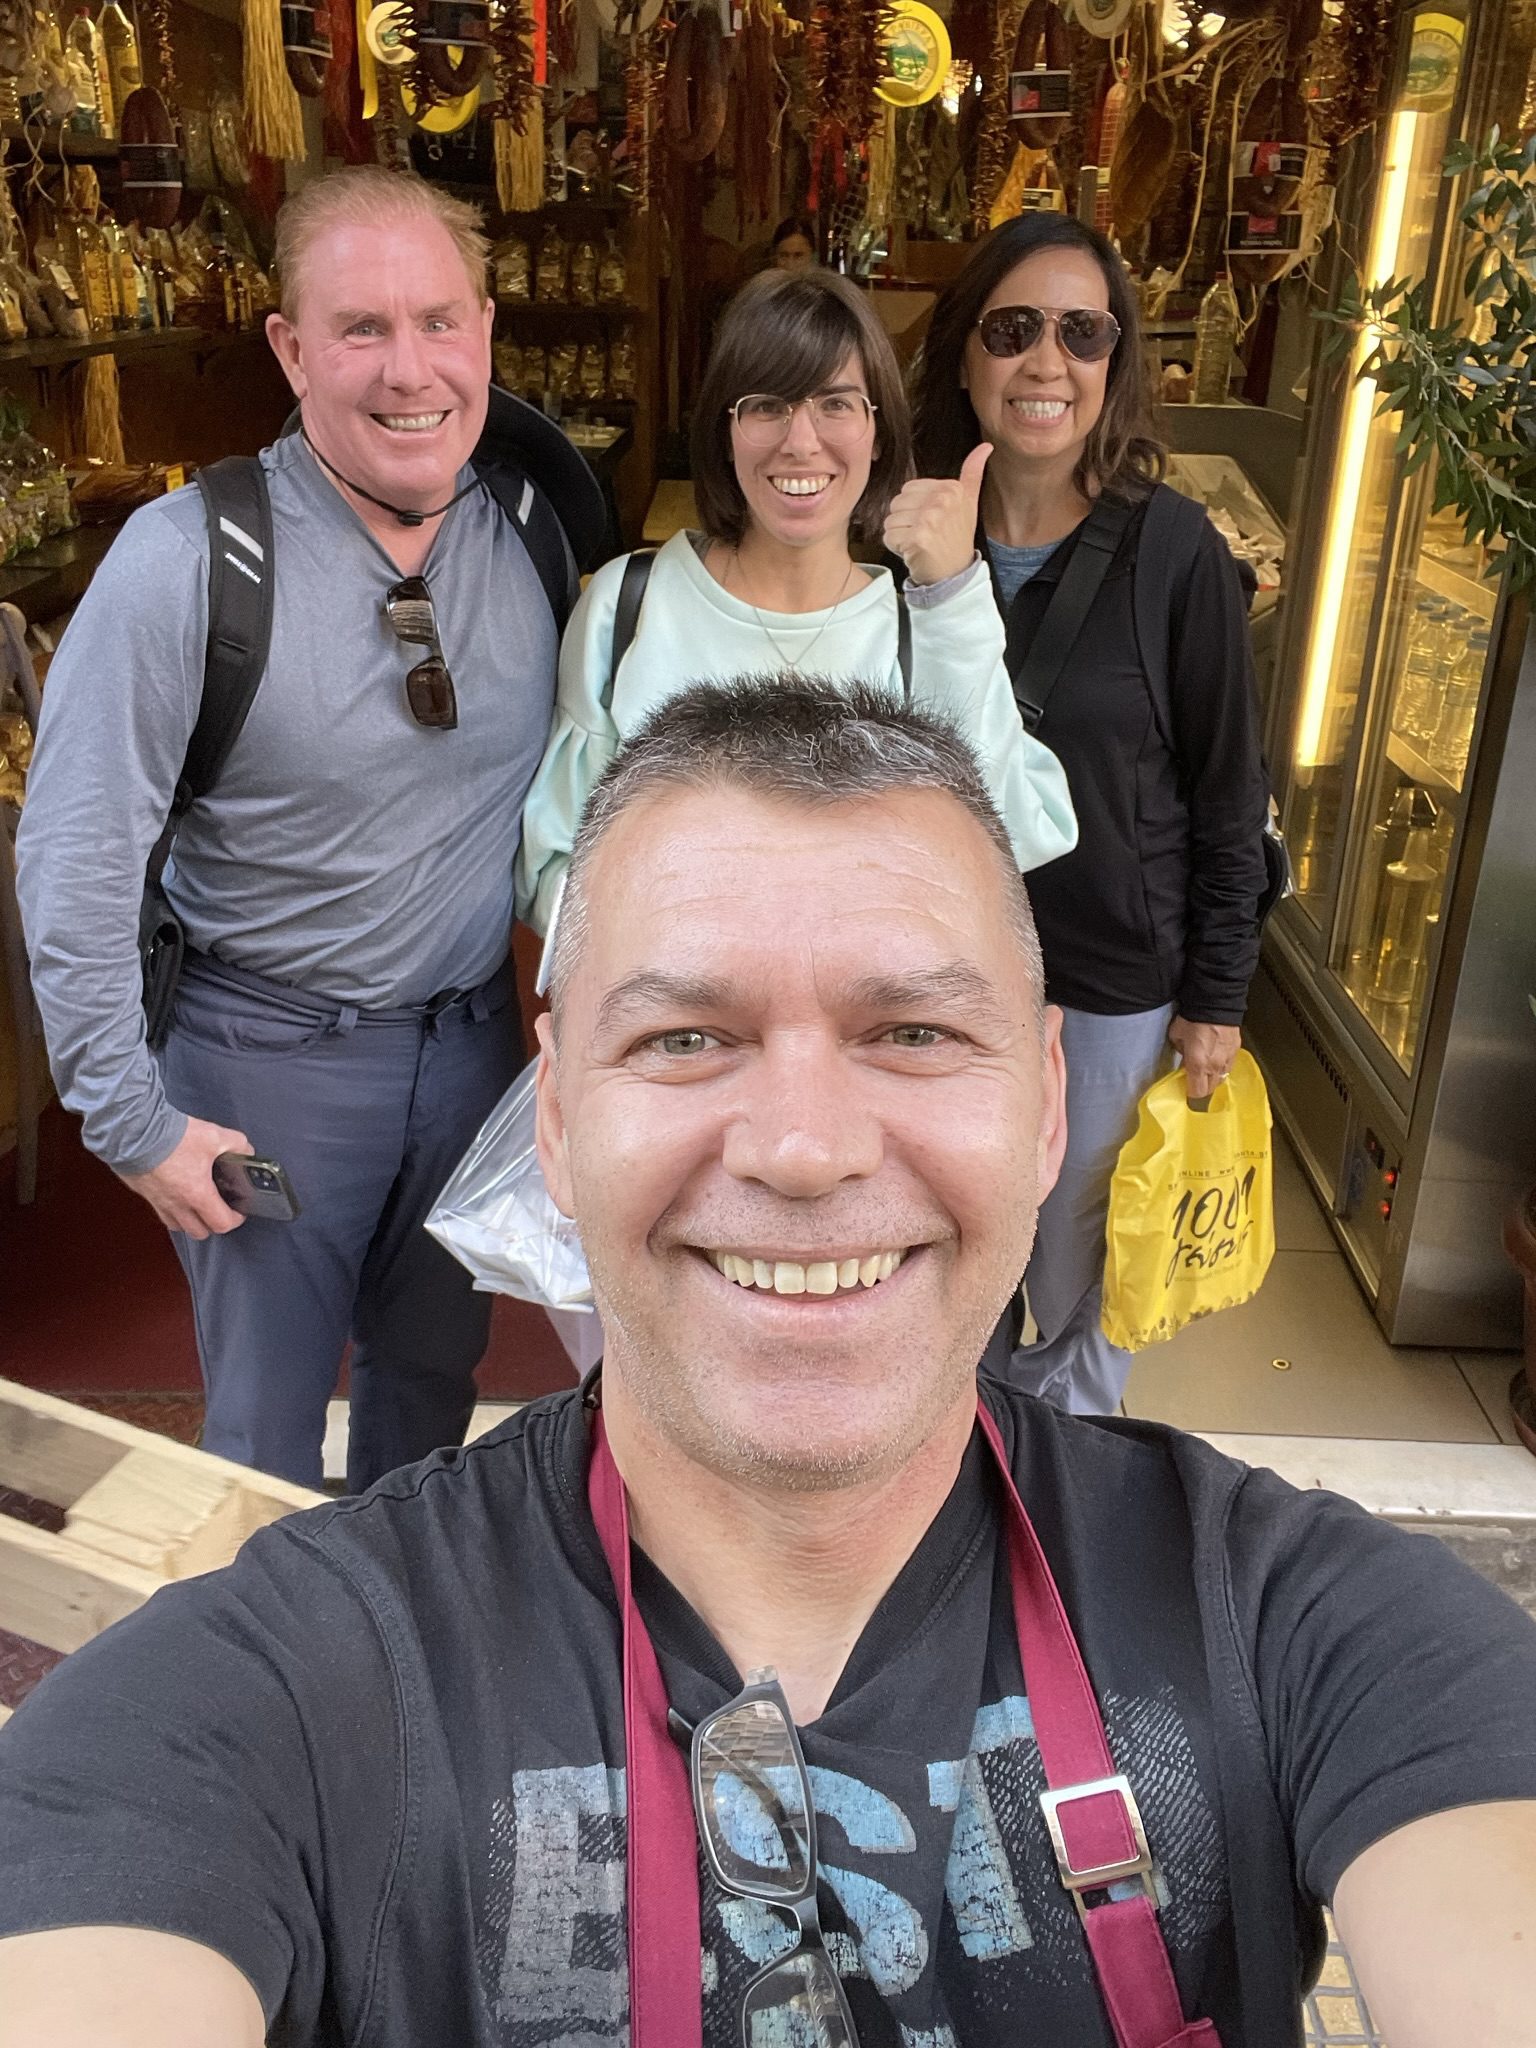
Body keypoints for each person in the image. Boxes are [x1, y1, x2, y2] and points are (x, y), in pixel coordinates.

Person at [2, 678, 1534, 2048]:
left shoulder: (1299, 1630)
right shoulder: (272, 1700)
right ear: (553, 1121)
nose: (804, 1151)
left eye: (916, 1033)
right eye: (685, 1040)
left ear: (1049, 1102)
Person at [15, 168, 585, 1493]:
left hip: (469, 1053)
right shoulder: (185, 563)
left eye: (440, 322)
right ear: (289, 348)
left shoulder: (538, 532)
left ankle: (394, 1661)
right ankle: (263, 1692)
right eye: (361, 329)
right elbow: (75, 849)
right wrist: (130, 1121)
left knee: (430, 1395)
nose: (410, 371)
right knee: (261, 1443)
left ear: (488, 333)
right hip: (265, 1066)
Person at [912, 214, 1271, 1416]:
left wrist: (1216, 997)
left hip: (1112, 993)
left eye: (1081, 332)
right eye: (1012, 330)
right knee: (943, 1283)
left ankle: (1057, 1548)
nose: (1045, 362)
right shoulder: (898, 538)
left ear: (1116, 361)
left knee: (1080, 1306)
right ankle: (944, 1525)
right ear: (964, 354)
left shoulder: (1174, 552)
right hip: (936, 986)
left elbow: (1229, 793)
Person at [516, 267, 1076, 934]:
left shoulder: (920, 626)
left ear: (878, 433)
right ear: (726, 428)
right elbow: (553, 867)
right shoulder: (627, 607)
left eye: (836, 403)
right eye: (766, 405)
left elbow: (1007, 837)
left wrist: (954, 594)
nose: (800, 441)